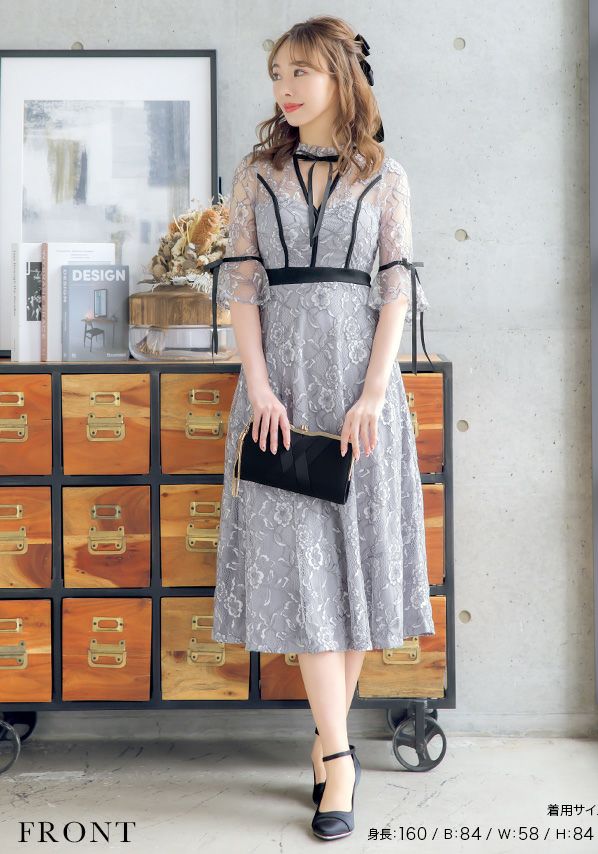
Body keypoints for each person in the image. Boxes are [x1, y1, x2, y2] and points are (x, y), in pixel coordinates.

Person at [210, 14, 435, 841]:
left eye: (300, 72)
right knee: (305, 571)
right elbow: (241, 286)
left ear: (340, 76)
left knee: (355, 565)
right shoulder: (256, 174)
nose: (286, 89)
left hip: (359, 393)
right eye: (276, 74)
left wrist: (373, 395)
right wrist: (259, 388)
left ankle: (328, 746)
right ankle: (338, 757)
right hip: (281, 391)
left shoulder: (385, 175)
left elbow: (394, 287)